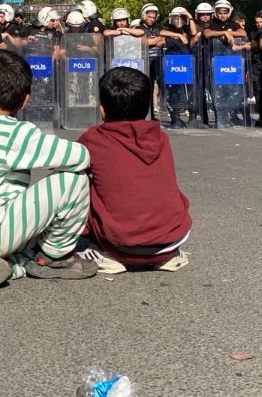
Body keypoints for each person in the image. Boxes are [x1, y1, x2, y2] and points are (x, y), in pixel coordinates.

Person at [0, 51, 95, 288]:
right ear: (25, 100)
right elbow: (80, 156)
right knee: (73, 181)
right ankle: (53, 258)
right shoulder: (16, 133)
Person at [76, 67, 191, 274]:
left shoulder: (94, 138)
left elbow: (65, 162)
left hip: (119, 245)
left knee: (75, 177)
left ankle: (103, 255)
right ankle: (167, 256)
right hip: (171, 240)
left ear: (102, 110)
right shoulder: (161, 138)